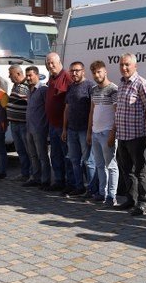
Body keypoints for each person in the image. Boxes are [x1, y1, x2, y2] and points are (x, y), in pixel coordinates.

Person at [115, 53, 146, 215]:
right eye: (122, 65)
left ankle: (143, 203)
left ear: (135, 66)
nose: (124, 68)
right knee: (127, 170)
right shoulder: (122, 83)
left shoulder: (141, 84)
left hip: (137, 135)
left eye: (127, 65)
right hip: (123, 135)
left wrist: (145, 122)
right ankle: (131, 200)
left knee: (140, 170)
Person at [86, 60, 119, 206]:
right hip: (95, 132)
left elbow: (117, 113)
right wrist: (89, 132)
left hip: (107, 132)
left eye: (99, 71)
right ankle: (101, 193)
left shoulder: (113, 89)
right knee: (99, 164)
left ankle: (112, 196)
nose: (96, 75)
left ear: (105, 71)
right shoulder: (93, 90)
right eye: (94, 72)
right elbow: (92, 111)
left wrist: (113, 133)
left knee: (111, 165)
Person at [62, 61, 96, 197]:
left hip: (84, 130)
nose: (74, 73)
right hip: (71, 130)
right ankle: (79, 186)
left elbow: (92, 111)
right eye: (72, 71)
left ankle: (92, 189)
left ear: (83, 71)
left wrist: (89, 131)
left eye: (77, 70)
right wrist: (64, 129)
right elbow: (67, 108)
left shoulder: (90, 86)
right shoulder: (70, 87)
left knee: (89, 161)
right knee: (74, 160)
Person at [45, 53, 74, 192]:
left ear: (59, 61)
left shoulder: (67, 77)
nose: (50, 66)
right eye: (48, 63)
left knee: (67, 156)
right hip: (53, 124)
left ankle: (70, 183)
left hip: (64, 126)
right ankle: (58, 181)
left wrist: (65, 126)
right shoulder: (51, 78)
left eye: (52, 63)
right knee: (55, 155)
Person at [24, 66, 51, 188]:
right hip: (29, 128)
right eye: (27, 75)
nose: (28, 78)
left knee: (42, 156)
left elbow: (48, 109)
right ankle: (36, 177)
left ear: (37, 75)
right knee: (33, 155)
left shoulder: (43, 90)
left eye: (31, 75)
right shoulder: (29, 90)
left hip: (40, 128)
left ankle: (45, 179)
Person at [6, 65, 31, 182]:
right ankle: (24, 173)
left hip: (23, 124)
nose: (9, 76)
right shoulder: (15, 85)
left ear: (18, 74)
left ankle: (32, 174)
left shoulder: (27, 85)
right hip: (14, 123)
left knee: (28, 150)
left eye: (10, 74)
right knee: (20, 150)